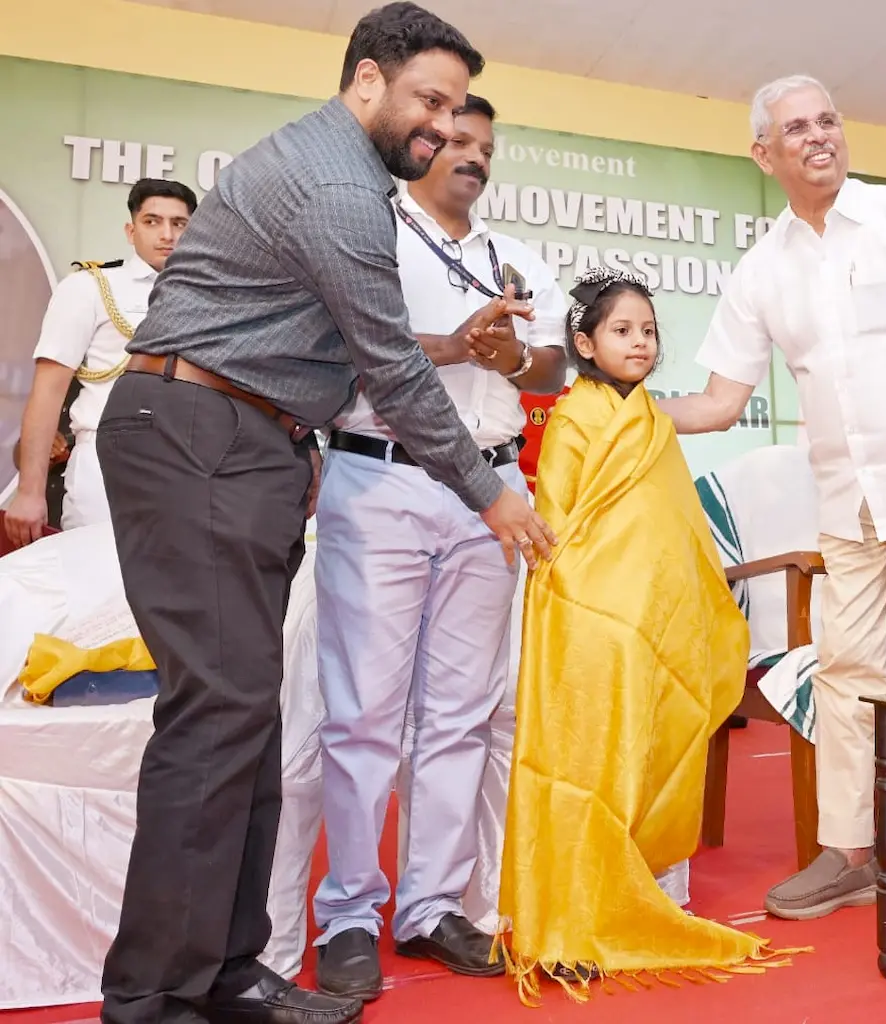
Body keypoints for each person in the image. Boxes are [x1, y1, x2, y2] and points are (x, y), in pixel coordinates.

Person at [95, 6, 558, 1024]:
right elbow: (386, 364)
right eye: (429, 101)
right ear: (367, 81)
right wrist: (490, 493)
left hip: (238, 438)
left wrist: (296, 444)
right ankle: (153, 999)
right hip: (198, 432)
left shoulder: (343, 177)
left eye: (456, 111)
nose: (443, 128)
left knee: (242, 718)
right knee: (217, 720)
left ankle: (222, 974)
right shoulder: (340, 187)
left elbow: (332, 344)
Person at [660, 74, 886, 919]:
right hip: (848, 500)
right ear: (763, 153)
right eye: (797, 127)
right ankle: (850, 852)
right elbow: (721, 401)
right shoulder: (762, 269)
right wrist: (615, 409)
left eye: (827, 120)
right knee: (847, 671)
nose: (818, 136)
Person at [310, 93, 568, 1001]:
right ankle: (348, 913)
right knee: (364, 715)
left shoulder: (514, 256)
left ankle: (430, 907)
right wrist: (455, 346)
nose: (473, 156)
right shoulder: (369, 236)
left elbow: (554, 366)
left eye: (485, 146)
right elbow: (341, 344)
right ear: (419, 144)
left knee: (462, 713)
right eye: (456, 139)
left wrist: (508, 359)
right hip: (383, 479)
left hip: (491, 496)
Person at [499, 267, 786, 993]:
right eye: (623, 330)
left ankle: (653, 892)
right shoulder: (573, 417)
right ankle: (580, 907)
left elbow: (669, 520)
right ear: (584, 343)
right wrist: (592, 608)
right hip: (593, 621)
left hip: (658, 619)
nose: (640, 343)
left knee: (661, 744)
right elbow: (562, 526)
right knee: (590, 758)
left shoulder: (653, 419)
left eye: (649, 331)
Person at [5, 178, 196, 547]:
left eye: (179, 223)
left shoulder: (211, 297)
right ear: (131, 230)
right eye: (152, 221)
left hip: (189, 466)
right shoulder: (90, 287)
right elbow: (48, 390)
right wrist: (30, 491)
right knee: (94, 573)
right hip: (107, 459)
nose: (167, 234)